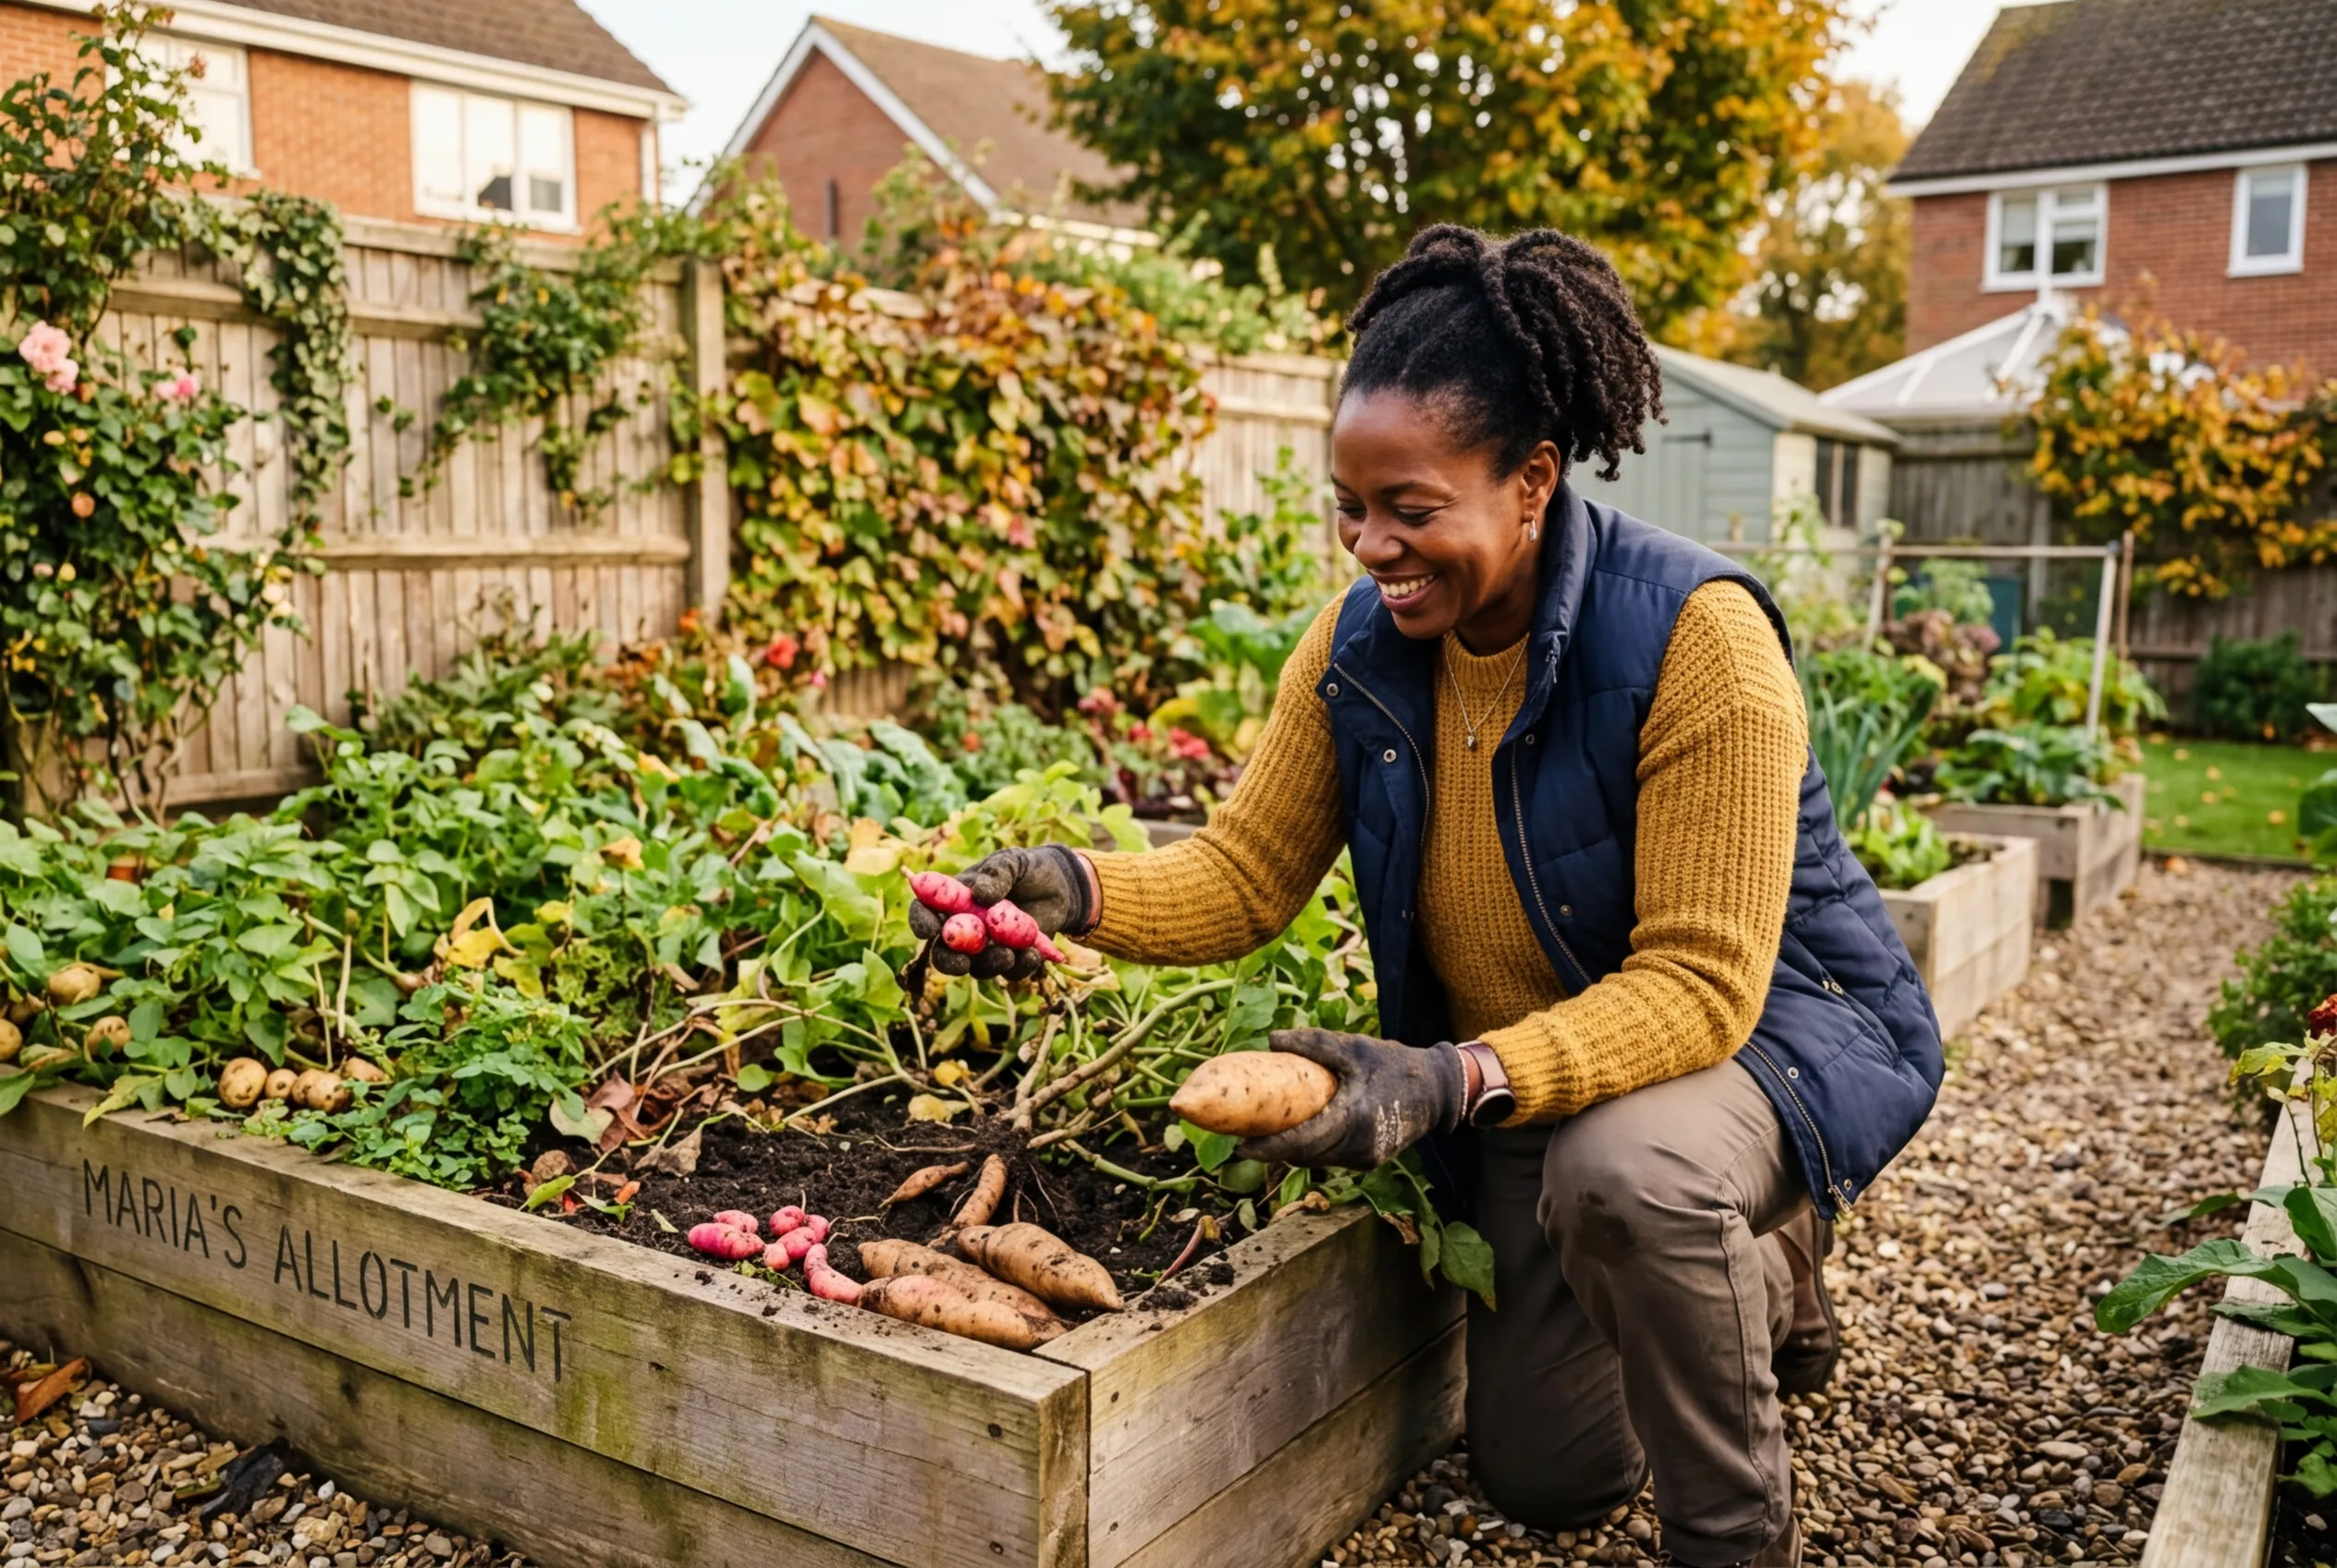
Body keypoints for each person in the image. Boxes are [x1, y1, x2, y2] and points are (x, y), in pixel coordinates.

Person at [918, 225, 1941, 1567]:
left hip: (1766, 1037)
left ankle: (1735, 1530)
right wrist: (1065, 889)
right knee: (1547, 1476)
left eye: (1410, 507)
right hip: (1533, 1071)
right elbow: (1243, 873)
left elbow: (1699, 985)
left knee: (1629, 1174)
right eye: (1351, 505)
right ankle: (1755, 1273)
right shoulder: (1364, 648)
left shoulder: (1697, 639)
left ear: (1530, 481)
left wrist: (1447, 1083)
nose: (1370, 546)